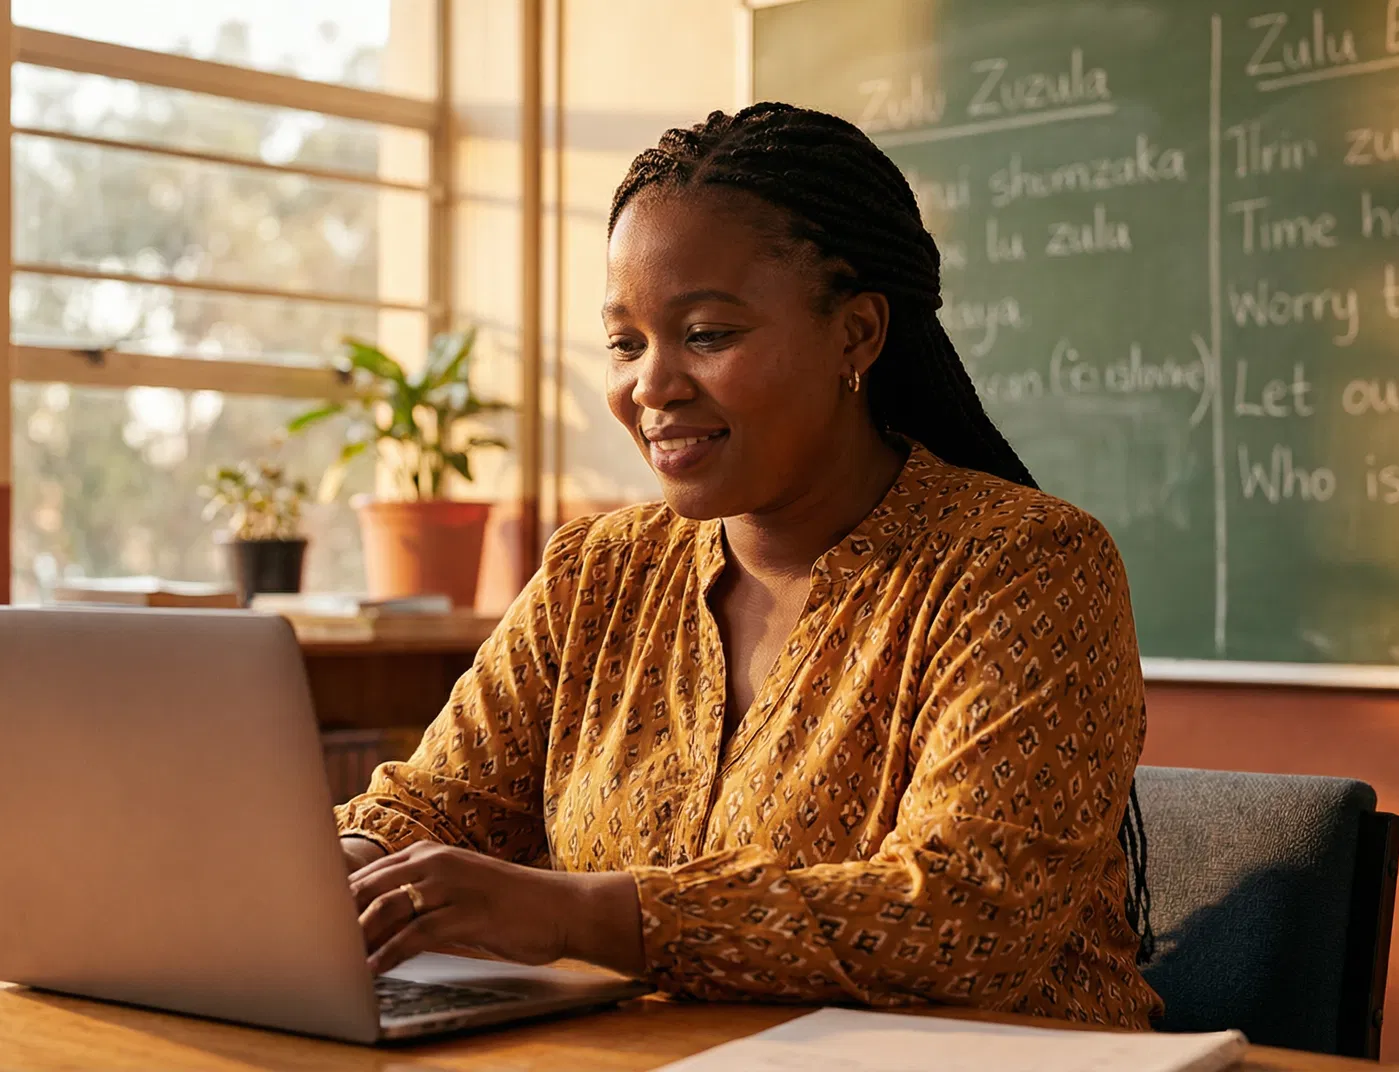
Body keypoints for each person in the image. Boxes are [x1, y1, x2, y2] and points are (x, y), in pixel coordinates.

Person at [335, 103, 1162, 1028]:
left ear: (856, 335)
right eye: (625, 341)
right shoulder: (597, 571)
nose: (650, 386)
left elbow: (964, 920)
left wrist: (578, 912)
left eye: (706, 335)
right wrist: (348, 861)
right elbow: (433, 806)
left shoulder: (1024, 565)